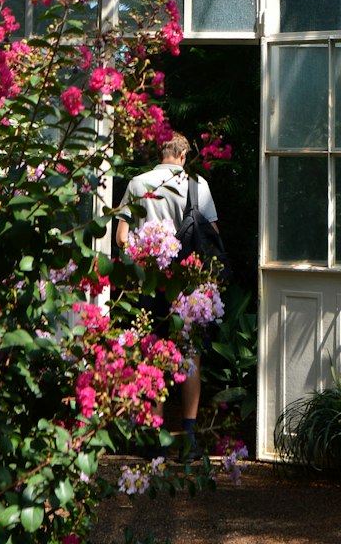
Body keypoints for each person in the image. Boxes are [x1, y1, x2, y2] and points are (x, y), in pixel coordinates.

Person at [116, 132, 219, 454]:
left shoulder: (137, 184)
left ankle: (154, 436)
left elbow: (121, 238)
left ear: (160, 152)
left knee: (150, 352)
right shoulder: (198, 185)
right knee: (190, 355)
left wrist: (144, 255)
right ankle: (188, 437)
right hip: (187, 284)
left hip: (150, 283)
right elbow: (212, 235)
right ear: (184, 155)